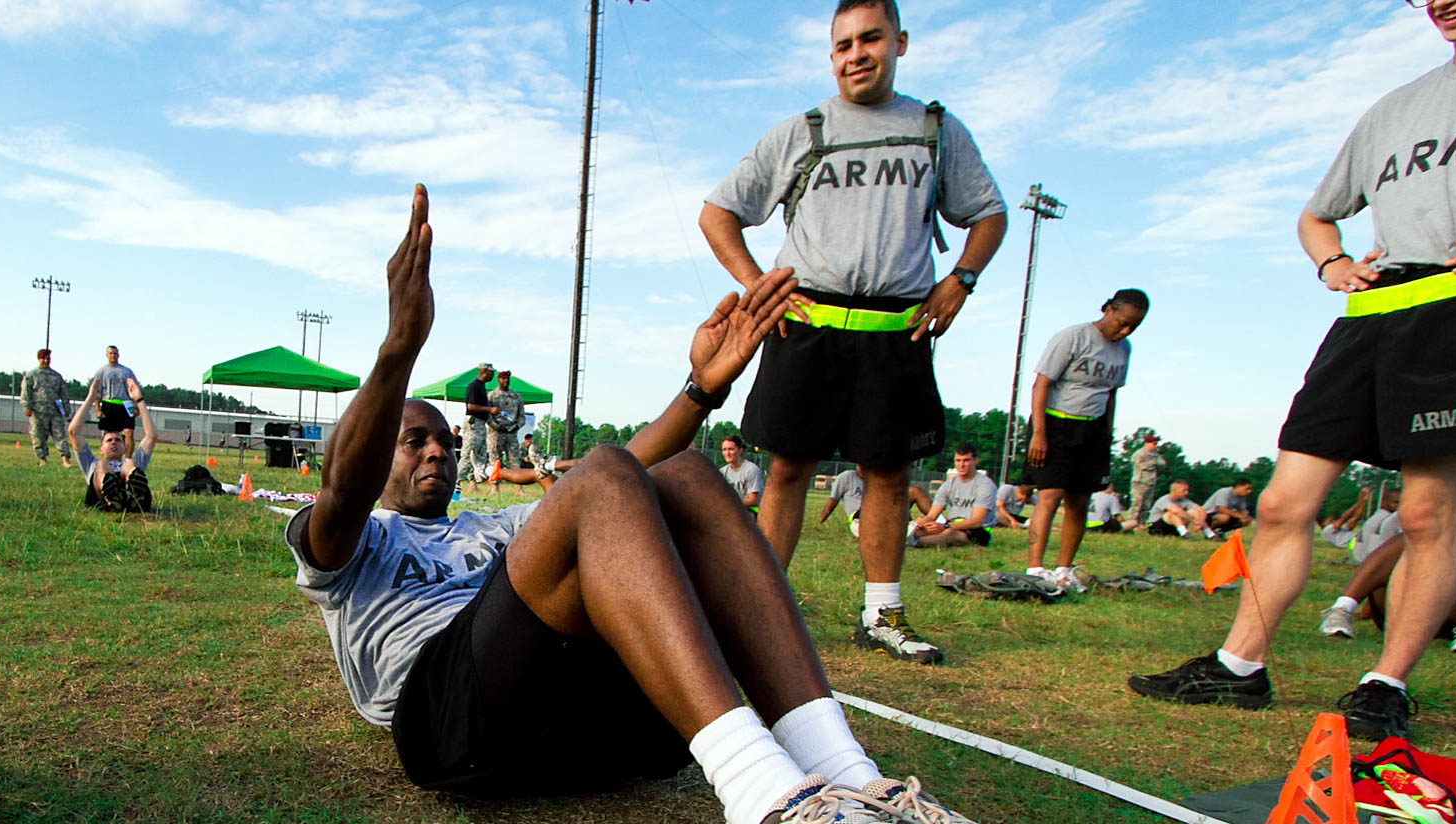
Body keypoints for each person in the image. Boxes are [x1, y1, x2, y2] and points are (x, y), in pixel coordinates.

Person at [288, 186, 973, 824]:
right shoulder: (354, 545)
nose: (436, 451)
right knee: (603, 472)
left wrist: (699, 391)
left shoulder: (495, 527)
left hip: (595, 732)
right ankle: (767, 797)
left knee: (685, 475)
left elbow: (629, 478)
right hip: (455, 728)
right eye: (413, 442)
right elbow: (344, 491)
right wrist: (397, 350)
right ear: (380, 453)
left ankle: (848, 775)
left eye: (441, 440)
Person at [1129, 0, 1456, 742]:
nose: (1439, 3)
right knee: (1286, 503)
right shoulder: (1396, 105)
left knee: (1425, 513)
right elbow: (1316, 214)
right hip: (1371, 317)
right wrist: (1332, 262)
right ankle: (1239, 666)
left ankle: (1383, 686)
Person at [701, 0, 1008, 667]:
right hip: (808, 324)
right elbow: (718, 212)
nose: (856, 54)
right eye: (842, 45)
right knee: (786, 469)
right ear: (830, 54)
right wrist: (758, 283)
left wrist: (962, 278)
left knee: (888, 474)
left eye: (870, 39)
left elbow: (987, 213)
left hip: (894, 330)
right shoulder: (803, 131)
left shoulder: (934, 129)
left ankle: (881, 613)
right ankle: (763, 615)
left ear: (898, 41)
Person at [1318, 469, 1456, 653]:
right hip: (1405, 604)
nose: (1449, 497)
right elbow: (1379, 567)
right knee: (1414, 533)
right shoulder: (1402, 519)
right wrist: (1369, 611)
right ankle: (1341, 610)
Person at [1019, 289, 1146, 594]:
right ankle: (1036, 569)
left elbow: (1112, 394)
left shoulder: (1124, 349)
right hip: (1056, 423)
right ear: (1108, 309)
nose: (1125, 330)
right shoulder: (1073, 338)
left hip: (1093, 430)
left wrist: (1106, 435)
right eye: (1123, 322)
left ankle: (1063, 570)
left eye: (1134, 327)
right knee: (1049, 495)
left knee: (1079, 501)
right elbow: (1041, 384)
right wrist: (1039, 432)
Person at [65, 398, 153, 513]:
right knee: (102, 464)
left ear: (124, 448)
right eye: (109, 440)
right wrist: (91, 397)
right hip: (100, 496)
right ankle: (111, 495)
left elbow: (151, 436)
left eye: (118, 440)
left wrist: (140, 400)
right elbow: (73, 432)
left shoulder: (132, 463)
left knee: (129, 462)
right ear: (101, 449)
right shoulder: (91, 462)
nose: (113, 442)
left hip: (127, 483)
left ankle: (134, 494)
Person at [907, 445, 996, 551]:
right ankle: (910, 538)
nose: (961, 465)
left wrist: (945, 526)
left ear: (975, 461)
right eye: (958, 461)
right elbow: (932, 515)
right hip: (951, 524)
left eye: (966, 460)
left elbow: (977, 521)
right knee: (920, 531)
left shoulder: (985, 485)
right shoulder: (948, 485)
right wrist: (922, 522)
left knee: (948, 534)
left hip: (977, 530)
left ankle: (911, 543)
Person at [19, 348, 70, 469]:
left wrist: (66, 408)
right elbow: (25, 392)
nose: (46, 361)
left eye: (48, 358)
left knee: (60, 435)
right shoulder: (31, 376)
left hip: (55, 411)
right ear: (39, 359)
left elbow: (64, 393)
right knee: (38, 436)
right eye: (44, 358)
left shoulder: (56, 376)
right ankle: (42, 459)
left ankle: (65, 459)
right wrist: (26, 407)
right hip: (38, 411)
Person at [460, 362, 497, 490]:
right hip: (473, 423)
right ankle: (456, 481)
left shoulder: (482, 387)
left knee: (479, 455)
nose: (493, 375)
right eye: (492, 373)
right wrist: (489, 409)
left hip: (480, 424)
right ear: (484, 371)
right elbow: (470, 406)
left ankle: (474, 484)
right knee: (468, 452)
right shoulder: (474, 386)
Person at [1145, 480, 1212, 539]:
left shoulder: (1184, 500)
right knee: (1172, 513)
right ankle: (1184, 534)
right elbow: (1177, 511)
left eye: (1187, 490)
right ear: (1174, 490)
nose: (1187, 492)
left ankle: (1209, 534)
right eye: (1184, 490)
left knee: (1193, 511)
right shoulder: (1164, 500)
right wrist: (1193, 521)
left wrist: (1200, 522)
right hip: (1152, 526)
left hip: (1173, 527)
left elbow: (1200, 509)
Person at [489, 369, 526, 468]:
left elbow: (522, 416)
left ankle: (517, 482)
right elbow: (487, 416)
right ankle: (495, 482)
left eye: (507, 379)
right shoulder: (491, 396)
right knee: (495, 460)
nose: (506, 381)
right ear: (498, 380)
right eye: (503, 378)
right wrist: (496, 426)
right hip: (496, 432)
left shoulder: (516, 396)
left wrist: (517, 426)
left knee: (514, 459)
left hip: (512, 432)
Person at [1356, 486, 1403, 563]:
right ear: (1384, 502)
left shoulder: (1378, 516)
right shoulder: (1390, 518)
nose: (1399, 506)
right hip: (1375, 560)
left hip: (1366, 558)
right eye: (1395, 502)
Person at [719, 435, 766, 510]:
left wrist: (731, 505)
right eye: (724, 450)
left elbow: (753, 500)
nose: (727, 453)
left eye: (731, 449)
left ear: (740, 450)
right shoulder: (722, 472)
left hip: (749, 515)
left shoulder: (751, 470)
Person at [1128, 434, 1161, 522]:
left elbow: (1162, 463)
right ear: (1147, 443)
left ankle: (1142, 523)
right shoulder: (1139, 453)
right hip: (1139, 482)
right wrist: (1151, 463)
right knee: (1136, 503)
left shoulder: (1155, 454)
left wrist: (1155, 462)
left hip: (1150, 482)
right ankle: (1131, 522)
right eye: (1154, 443)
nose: (1155, 446)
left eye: (1156, 443)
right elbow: (1139, 466)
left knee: (1146, 505)